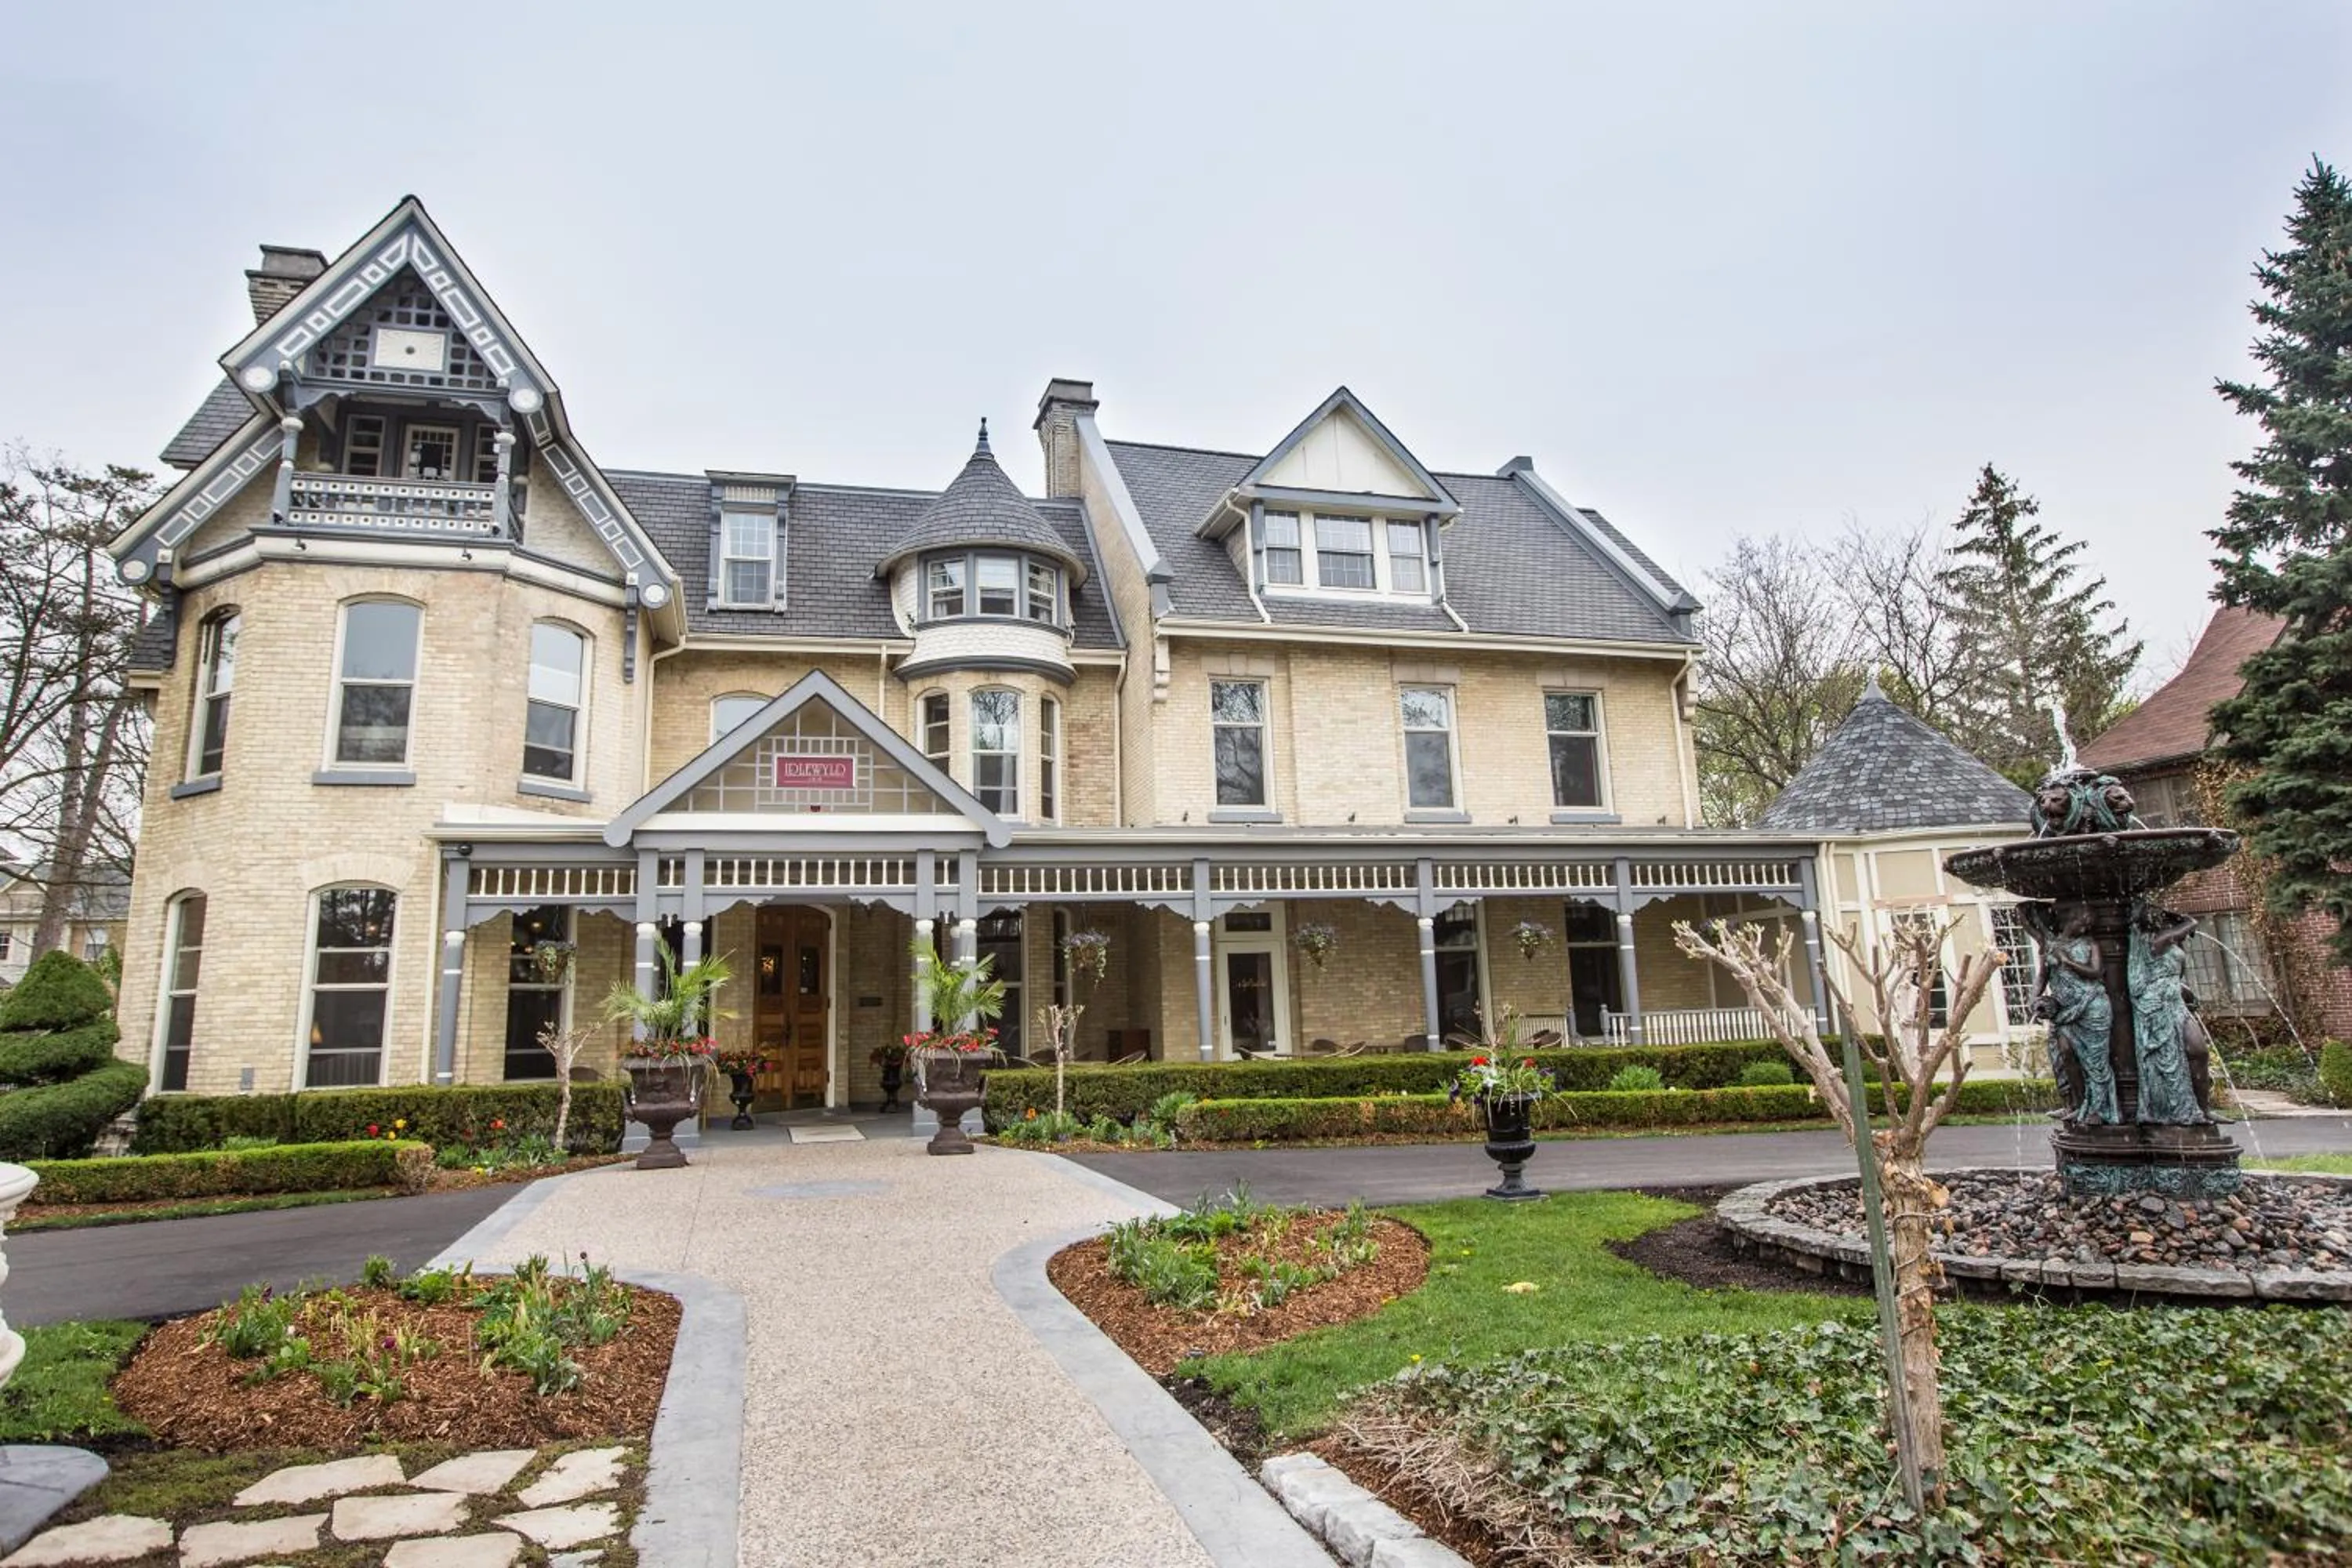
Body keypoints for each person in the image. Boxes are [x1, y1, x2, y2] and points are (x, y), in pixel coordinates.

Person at [2033, 900, 2118, 1124]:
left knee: (2095, 1061)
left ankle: (2099, 1110)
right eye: (2084, 922)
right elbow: (2042, 976)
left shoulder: (2090, 944)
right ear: (2072, 919)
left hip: (2092, 1007)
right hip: (2065, 1011)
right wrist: (2034, 998)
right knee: (2065, 1053)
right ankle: (2076, 1104)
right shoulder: (2050, 944)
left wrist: (2068, 962)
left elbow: (2097, 971)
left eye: (2090, 924)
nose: (2086, 927)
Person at [2129, 906, 2209, 1124]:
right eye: (2154, 916)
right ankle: (2172, 1109)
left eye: (2160, 916)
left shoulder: (2170, 941)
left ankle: (2203, 1109)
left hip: (2176, 1004)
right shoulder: (2153, 942)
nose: (2159, 918)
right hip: (2157, 1008)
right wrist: (2183, 918)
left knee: (2199, 1052)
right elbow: (2190, 924)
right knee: (2169, 1060)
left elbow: (2177, 972)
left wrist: (2181, 989)